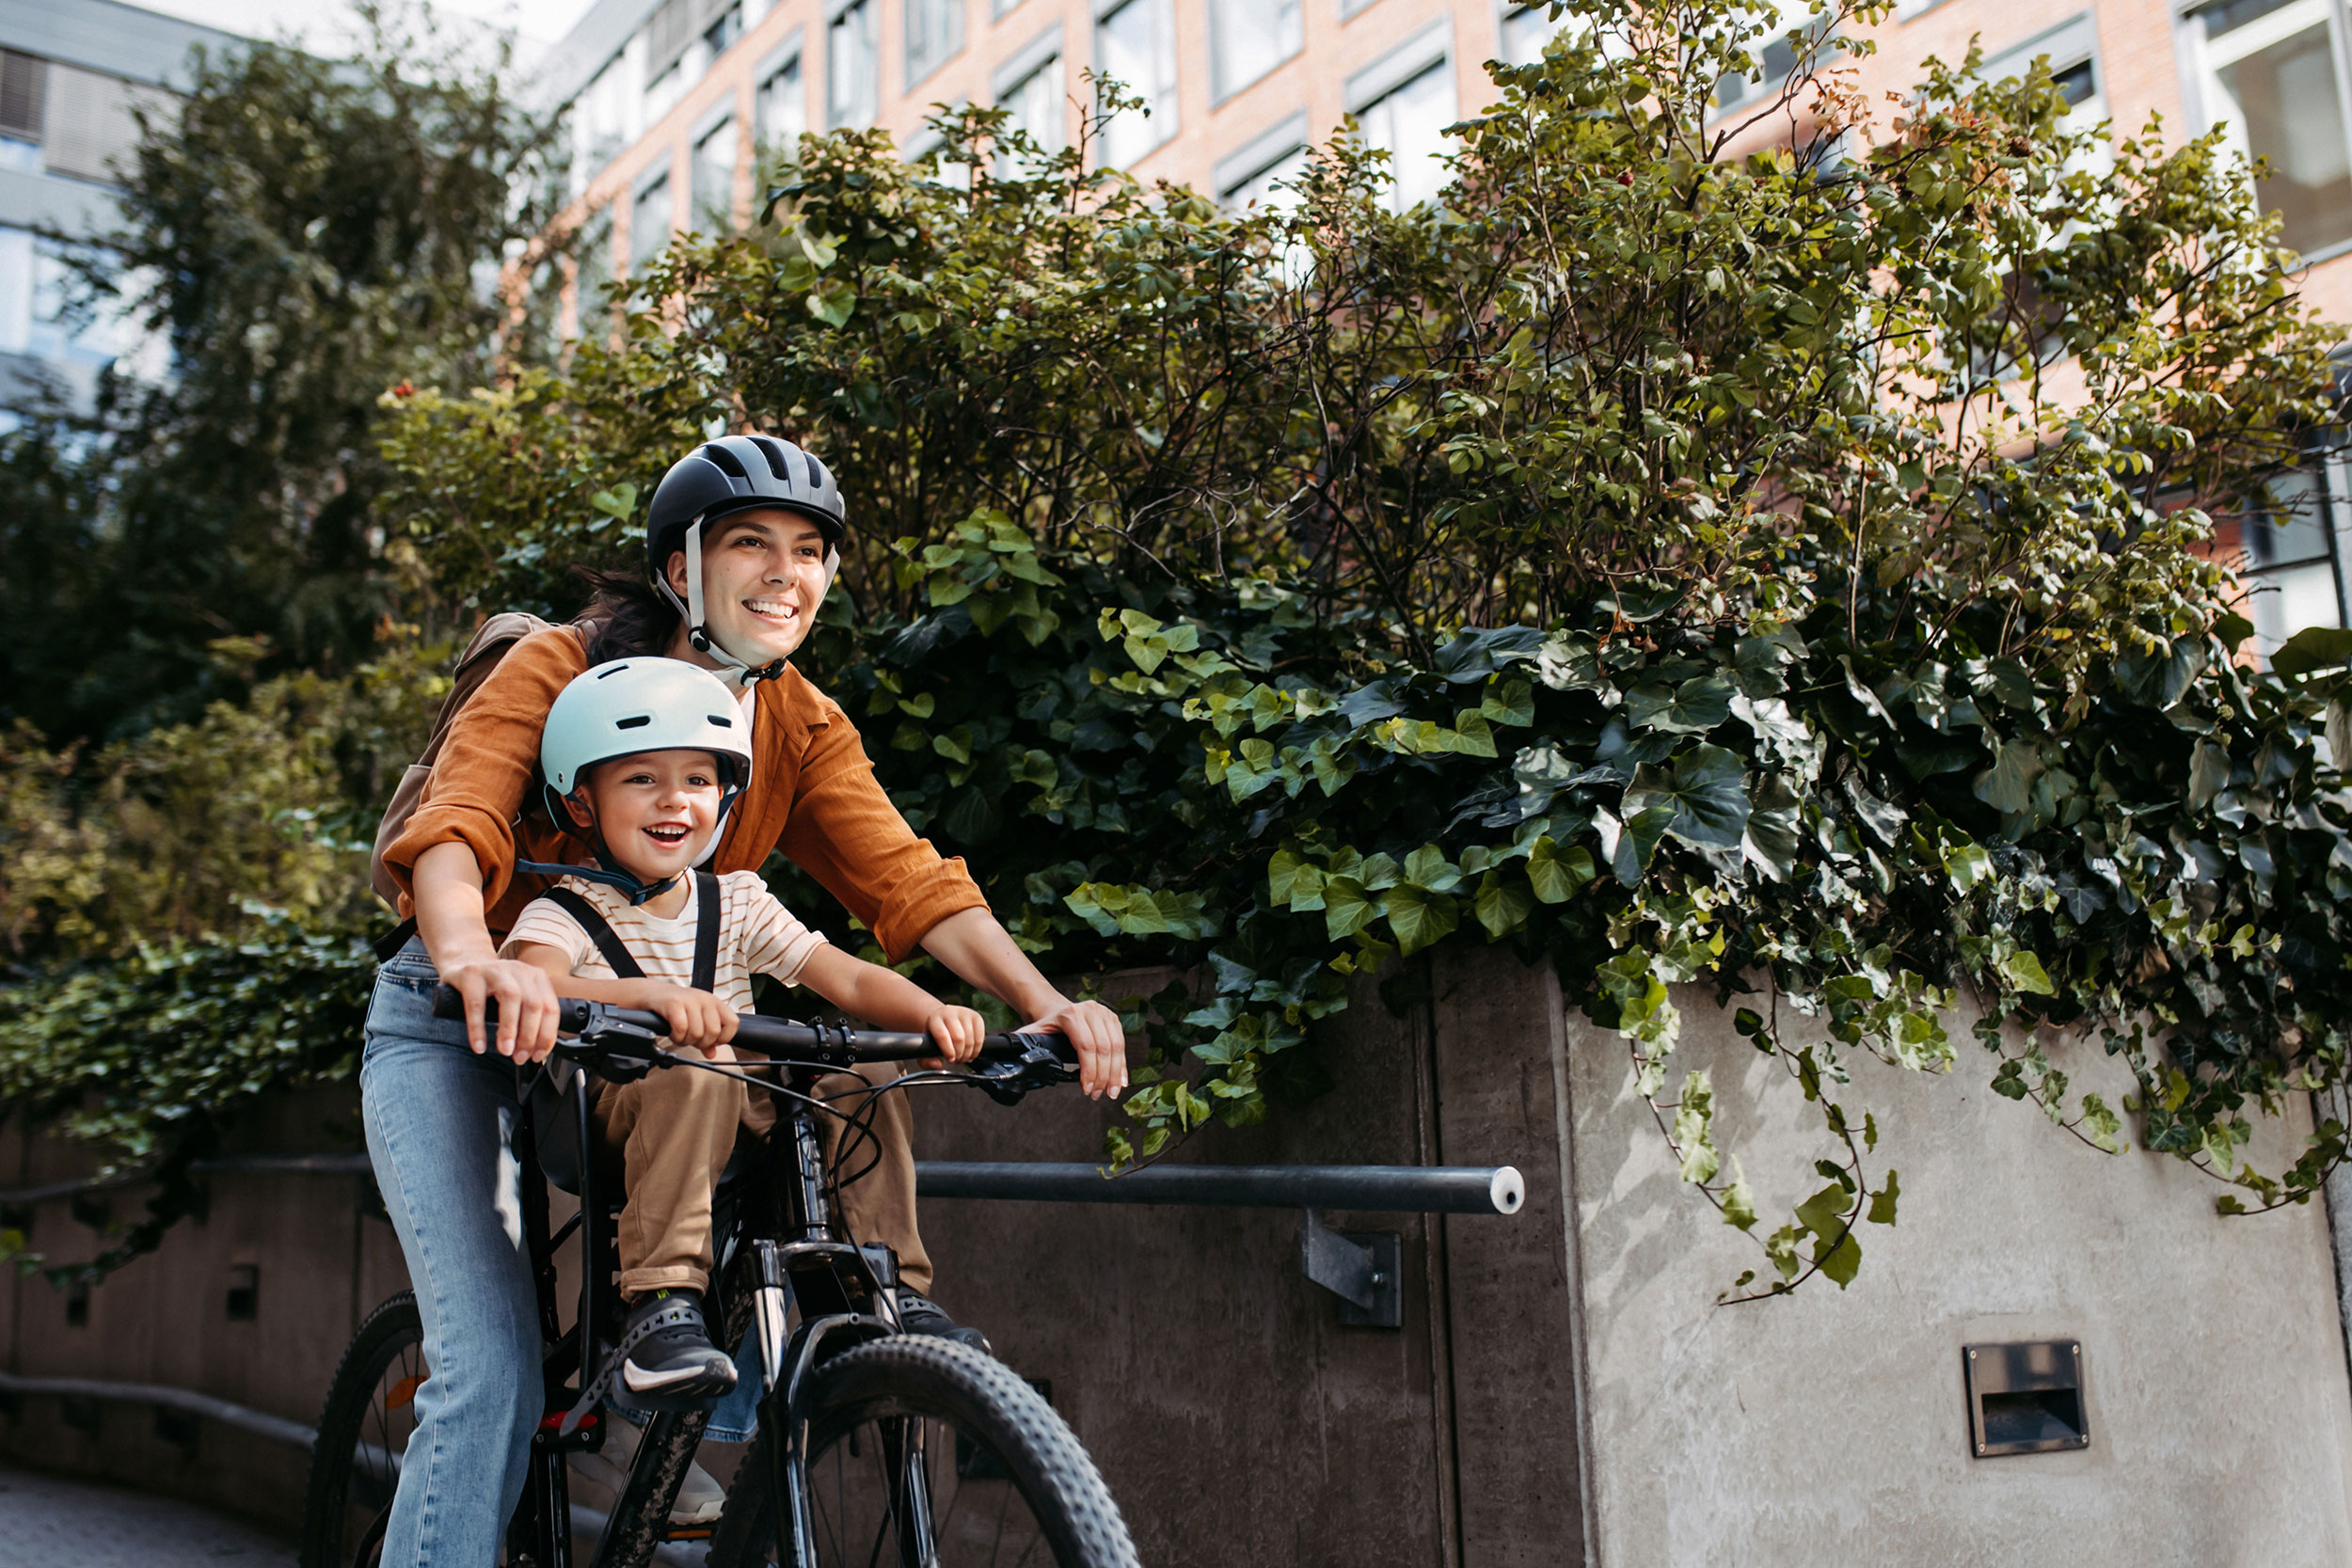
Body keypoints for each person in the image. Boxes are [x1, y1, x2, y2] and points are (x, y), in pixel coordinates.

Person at [362, 433, 1127, 1565]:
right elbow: (462, 819)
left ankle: (680, 1424)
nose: (786, 572)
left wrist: (1045, 999)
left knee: (808, 1164)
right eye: (751, 544)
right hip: (463, 1006)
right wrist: (477, 953)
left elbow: (906, 881)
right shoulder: (557, 669)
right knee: (490, 1365)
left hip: (658, 1034)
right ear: (682, 569)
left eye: (810, 550)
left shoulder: (797, 720)